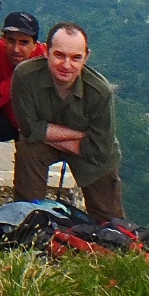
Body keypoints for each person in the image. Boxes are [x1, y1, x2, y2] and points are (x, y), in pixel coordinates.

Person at [11, 22, 125, 222]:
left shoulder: (99, 91)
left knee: (110, 221)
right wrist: (81, 135)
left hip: (93, 156)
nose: (66, 65)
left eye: (75, 58)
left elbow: (99, 150)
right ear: (46, 51)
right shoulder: (25, 76)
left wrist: (45, 132)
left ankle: (111, 241)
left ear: (86, 57)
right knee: (28, 149)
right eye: (59, 55)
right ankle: (27, 221)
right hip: (57, 145)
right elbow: (29, 129)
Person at [0, 11, 46, 201]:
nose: (16, 48)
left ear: (35, 44)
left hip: (30, 121)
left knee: (29, 148)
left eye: (24, 43)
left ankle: (29, 206)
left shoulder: (44, 60)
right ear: (2, 39)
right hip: (2, 116)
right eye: (11, 40)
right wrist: (18, 76)